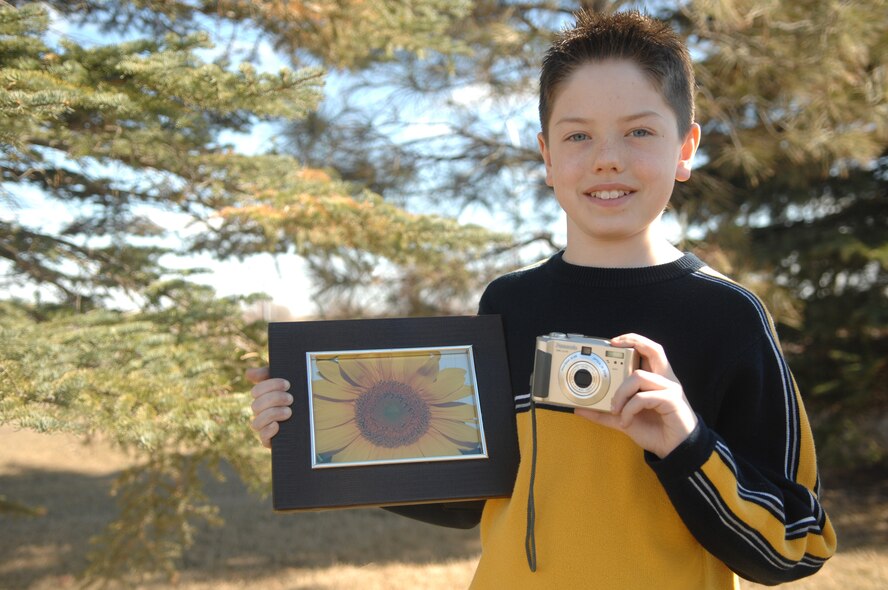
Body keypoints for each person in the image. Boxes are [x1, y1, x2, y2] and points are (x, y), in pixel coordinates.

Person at [249, 10, 836, 588]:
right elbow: (468, 495)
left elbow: (796, 545)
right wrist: (308, 435)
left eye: (639, 130)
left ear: (686, 148)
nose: (608, 156)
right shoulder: (509, 304)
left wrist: (688, 444)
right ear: (547, 156)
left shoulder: (728, 317)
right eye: (578, 134)